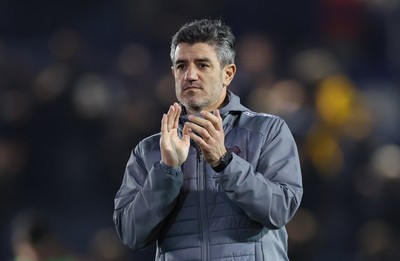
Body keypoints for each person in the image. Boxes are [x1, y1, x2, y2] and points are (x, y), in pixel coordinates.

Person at [113, 19, 303, 261]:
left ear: (228, 74)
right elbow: (131, 235)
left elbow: (278, 211)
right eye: (181, 66)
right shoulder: (150, 149)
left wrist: (224, 162)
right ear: (173, 73)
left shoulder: (267, 131)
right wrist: (167, 171)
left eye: (202, 65)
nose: (190, 75)